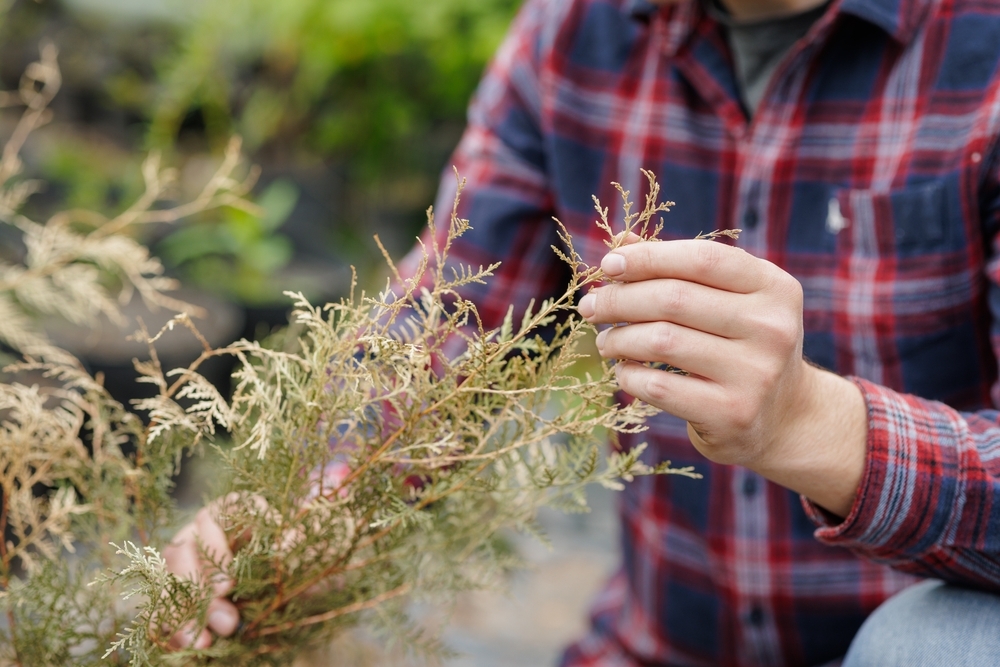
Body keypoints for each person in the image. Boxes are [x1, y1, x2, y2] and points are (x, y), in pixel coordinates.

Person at [165, 0, 1000, 663]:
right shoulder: (574, 30)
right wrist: (319, 502)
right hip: (661, 642)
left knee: (931, 644)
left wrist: (812, 423)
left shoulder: (978, 48)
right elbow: (447, 314)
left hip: (916, 624)